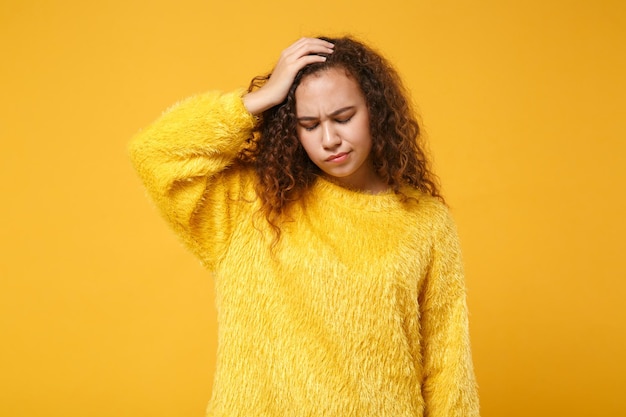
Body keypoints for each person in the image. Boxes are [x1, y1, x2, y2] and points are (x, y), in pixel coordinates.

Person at [130, 36, 480, 417]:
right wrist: (258, 102)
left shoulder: (425, 222)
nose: (330, 139)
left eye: (344, 118)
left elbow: (448, 368)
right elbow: (153, 155)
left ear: (375, 111)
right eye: (309, 125)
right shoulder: (250, 203)